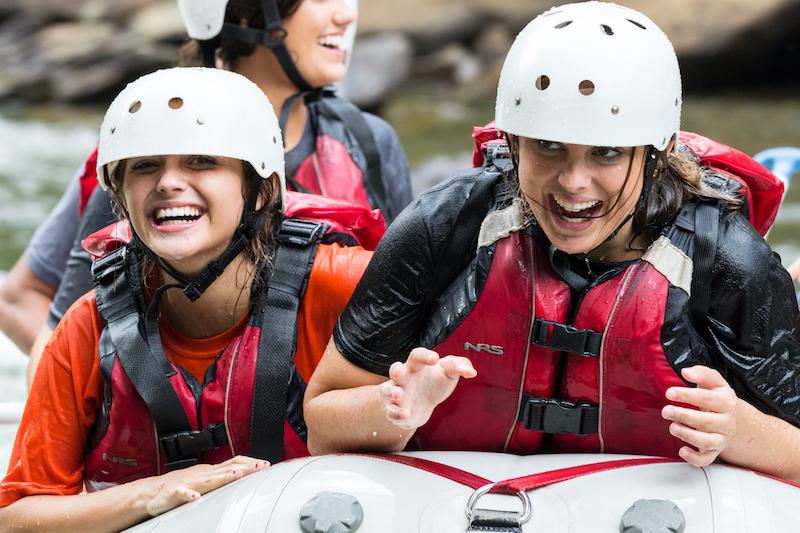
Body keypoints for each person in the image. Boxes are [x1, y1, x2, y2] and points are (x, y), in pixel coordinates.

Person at [304, 2, 800, 481]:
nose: (573, 182)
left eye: (606, 153)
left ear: (656, 153)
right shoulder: (446, 224)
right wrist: (393, 409)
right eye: (548, 146)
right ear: (512, 141)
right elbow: (321, 424)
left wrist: (741, 432)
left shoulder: (730, 263)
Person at [0, 67, 376, 531]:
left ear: (259, 190)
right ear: (120, 198)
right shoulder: (87, 328)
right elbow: (16, 518)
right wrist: (149, 494)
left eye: (201, 161)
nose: (167, 183)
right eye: (144, 166)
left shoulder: (345, 286)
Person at [14, 0, 411, 385]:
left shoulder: (368, 143)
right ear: (241, 10)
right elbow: (56, 332)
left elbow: (405, 317)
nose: (345, 15)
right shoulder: (142, 150)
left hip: (325, 434)